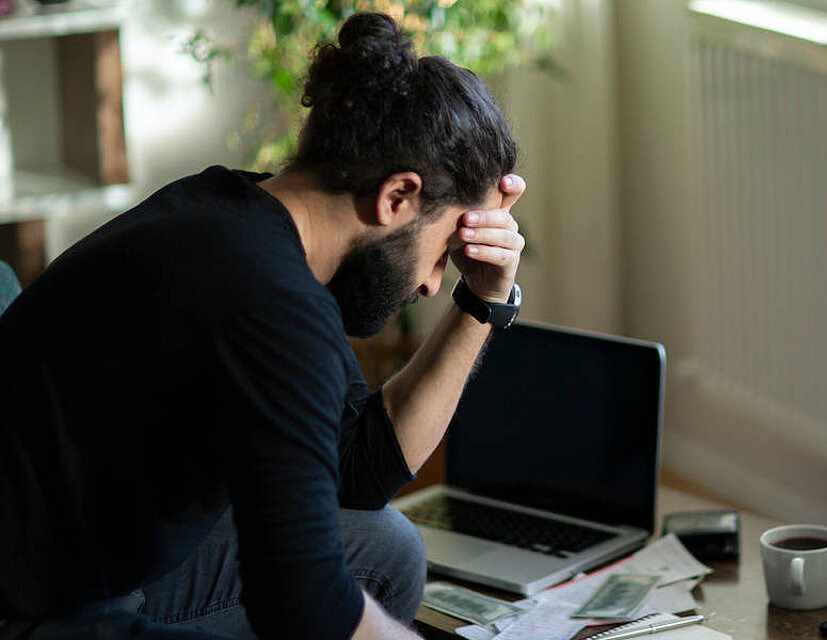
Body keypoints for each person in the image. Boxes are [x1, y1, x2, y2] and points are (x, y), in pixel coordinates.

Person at [0, 12, 524, 639]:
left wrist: (482, 302)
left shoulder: (230, 210)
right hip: (34, 606)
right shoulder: (270, 302)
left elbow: (358, 469)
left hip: (71, 549)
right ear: (397, 197)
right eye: (442, 253)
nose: (432, 284)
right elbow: (307, 610)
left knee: (385, 549)